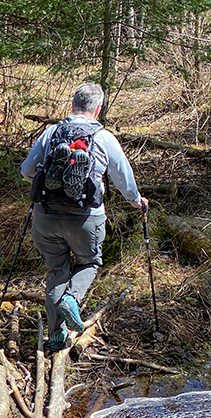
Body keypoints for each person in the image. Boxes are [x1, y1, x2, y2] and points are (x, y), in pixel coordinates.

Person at [20, 82, 147, 352]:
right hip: (85, 217)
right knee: (90, 262)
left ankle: (56, 337)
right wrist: (136, 201)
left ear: (72, 104)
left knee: (56, 271)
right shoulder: (104, 137)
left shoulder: (51, 132)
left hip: (46, 215)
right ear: (98, 108)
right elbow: (123, 177)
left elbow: (27, 170)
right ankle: (72, 299)